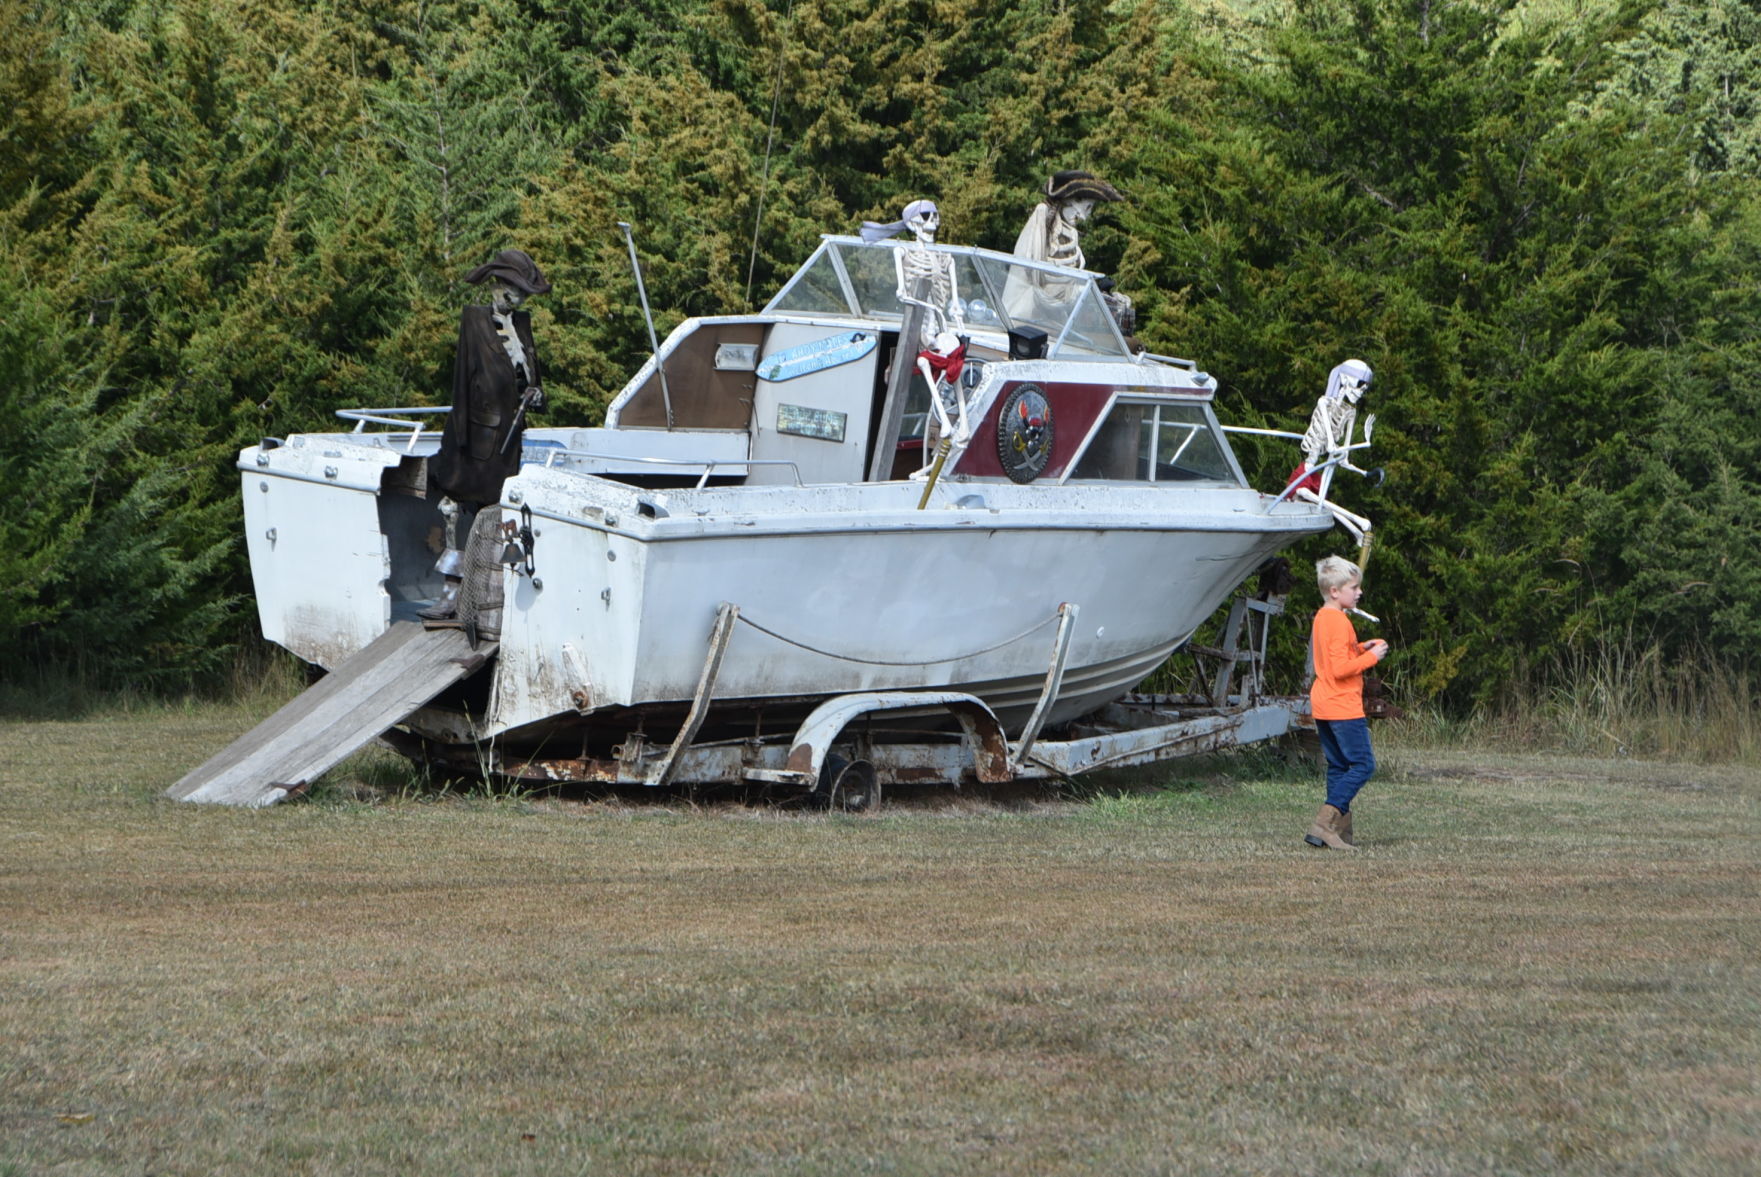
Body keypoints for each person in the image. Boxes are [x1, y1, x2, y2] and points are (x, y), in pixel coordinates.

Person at [420, 248, 550, 621]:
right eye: (514, 291)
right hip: (476, 442)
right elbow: (462, 387)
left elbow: (533, 382)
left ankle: (496, 593)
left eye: (525, 294)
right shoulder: (476, 324)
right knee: (457, 508)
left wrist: (536, 395)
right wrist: (458, 443)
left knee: (502, 511)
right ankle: (452, 592)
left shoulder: (521, 327)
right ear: (498, 286)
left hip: (508, 443)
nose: (520, 300)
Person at [1304, 555, 1390, 850]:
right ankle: (1324, 823)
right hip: (1342, 705)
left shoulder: (1323, 617)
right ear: (1334, 591)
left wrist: (1359, 647)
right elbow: (1340, 670)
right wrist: (1371, 658)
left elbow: (1333, 657)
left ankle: (1338, 833)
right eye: (1354, 587)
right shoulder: (1338, 621)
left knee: (1339, 766)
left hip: (1324, 702)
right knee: (1363, 765)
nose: (1359, 592)